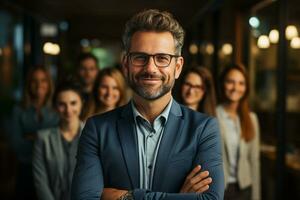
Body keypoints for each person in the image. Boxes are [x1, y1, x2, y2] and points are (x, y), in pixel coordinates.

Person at [71, 9, 224, 200]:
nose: (150, 68)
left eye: (162, 58)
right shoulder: (97, 129)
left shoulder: (203, 128)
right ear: (126, 64)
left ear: (177, 67)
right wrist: (178, 197)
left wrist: (128, 197)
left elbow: (210, 199)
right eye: (140, 57)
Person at [9, 66, 59, 199]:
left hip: (52, 170)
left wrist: (33, 137)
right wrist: (45, 138)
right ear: (28, 84)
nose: (39, 85)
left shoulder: (58, 109)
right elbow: (17, 144)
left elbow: (59, 141)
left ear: (49, 84)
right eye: (34, 81)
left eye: (43, 80)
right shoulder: (18, 110)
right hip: (26, 169)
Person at [33, 81, 84, 200]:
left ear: (82, 104)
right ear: (55, 107)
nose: (68, 109)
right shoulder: (43, 139)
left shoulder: (94, 135)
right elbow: (41, 182)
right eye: (62, 104)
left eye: (73, 103)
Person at [216, 64, 260, 200]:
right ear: (223, 84)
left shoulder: (251, 119)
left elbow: (254, 161)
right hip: (219, 189)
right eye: (231, 82)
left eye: (241, 83)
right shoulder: (211, 116)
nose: (236, 88)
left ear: (246, 88)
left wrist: (256, 196)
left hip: (244, 189)